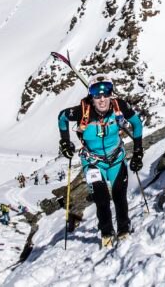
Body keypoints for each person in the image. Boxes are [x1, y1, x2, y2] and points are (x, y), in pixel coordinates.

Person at [58, 75, 144, 248]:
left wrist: (138, 152)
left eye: (106, 93)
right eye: (97, 94)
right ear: (91, 96)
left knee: (120, 196)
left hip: (116, 159)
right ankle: (106, 232)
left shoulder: (120, 107)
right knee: (101, 198)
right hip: (92, 162)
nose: (102, 98)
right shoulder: (83, 112)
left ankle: (124, 229)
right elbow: (62, 117)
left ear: (111, 94)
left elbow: (136, 123)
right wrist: (65, 142)